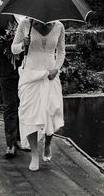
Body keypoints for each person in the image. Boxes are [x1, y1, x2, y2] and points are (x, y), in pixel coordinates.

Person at [11, 18, 65, 171]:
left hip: (50, 74)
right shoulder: (25, 24)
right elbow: (14, 49)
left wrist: (56, 69)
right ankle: (34, 154)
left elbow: (61, 51)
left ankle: (47, 144)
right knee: (29, 114)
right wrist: (23, 45)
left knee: (51, 112)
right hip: (30, 75)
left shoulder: (59, 26)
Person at [0, 11, 27, 157]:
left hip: (27, 67)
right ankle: (11, 143)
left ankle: (22, 139)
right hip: (6, 66)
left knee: (24, 104)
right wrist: (5, 49)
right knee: (10, 105)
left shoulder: (30, 17)